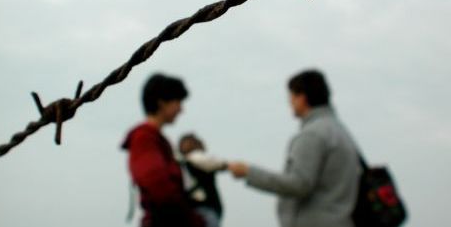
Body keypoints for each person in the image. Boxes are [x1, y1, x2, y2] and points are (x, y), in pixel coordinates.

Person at [228, 69, 362, 227]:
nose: (289, 102)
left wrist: (249, 172)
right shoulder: (340, 132)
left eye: (291, 96)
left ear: (302, 98)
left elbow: (300, 185)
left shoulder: (313, 134)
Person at [121, 73, 204, 227]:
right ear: (162, 103)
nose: (181, 109)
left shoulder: (158, 140)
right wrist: (195, 222)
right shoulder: (144, 138)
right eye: (178, 101)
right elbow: (159, 189)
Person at [178, 133, 227, 227]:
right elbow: (219, 163)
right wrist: (228, 166)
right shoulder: (195, 158)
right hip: (204, 208)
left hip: (190, 209)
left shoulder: (182, 163)